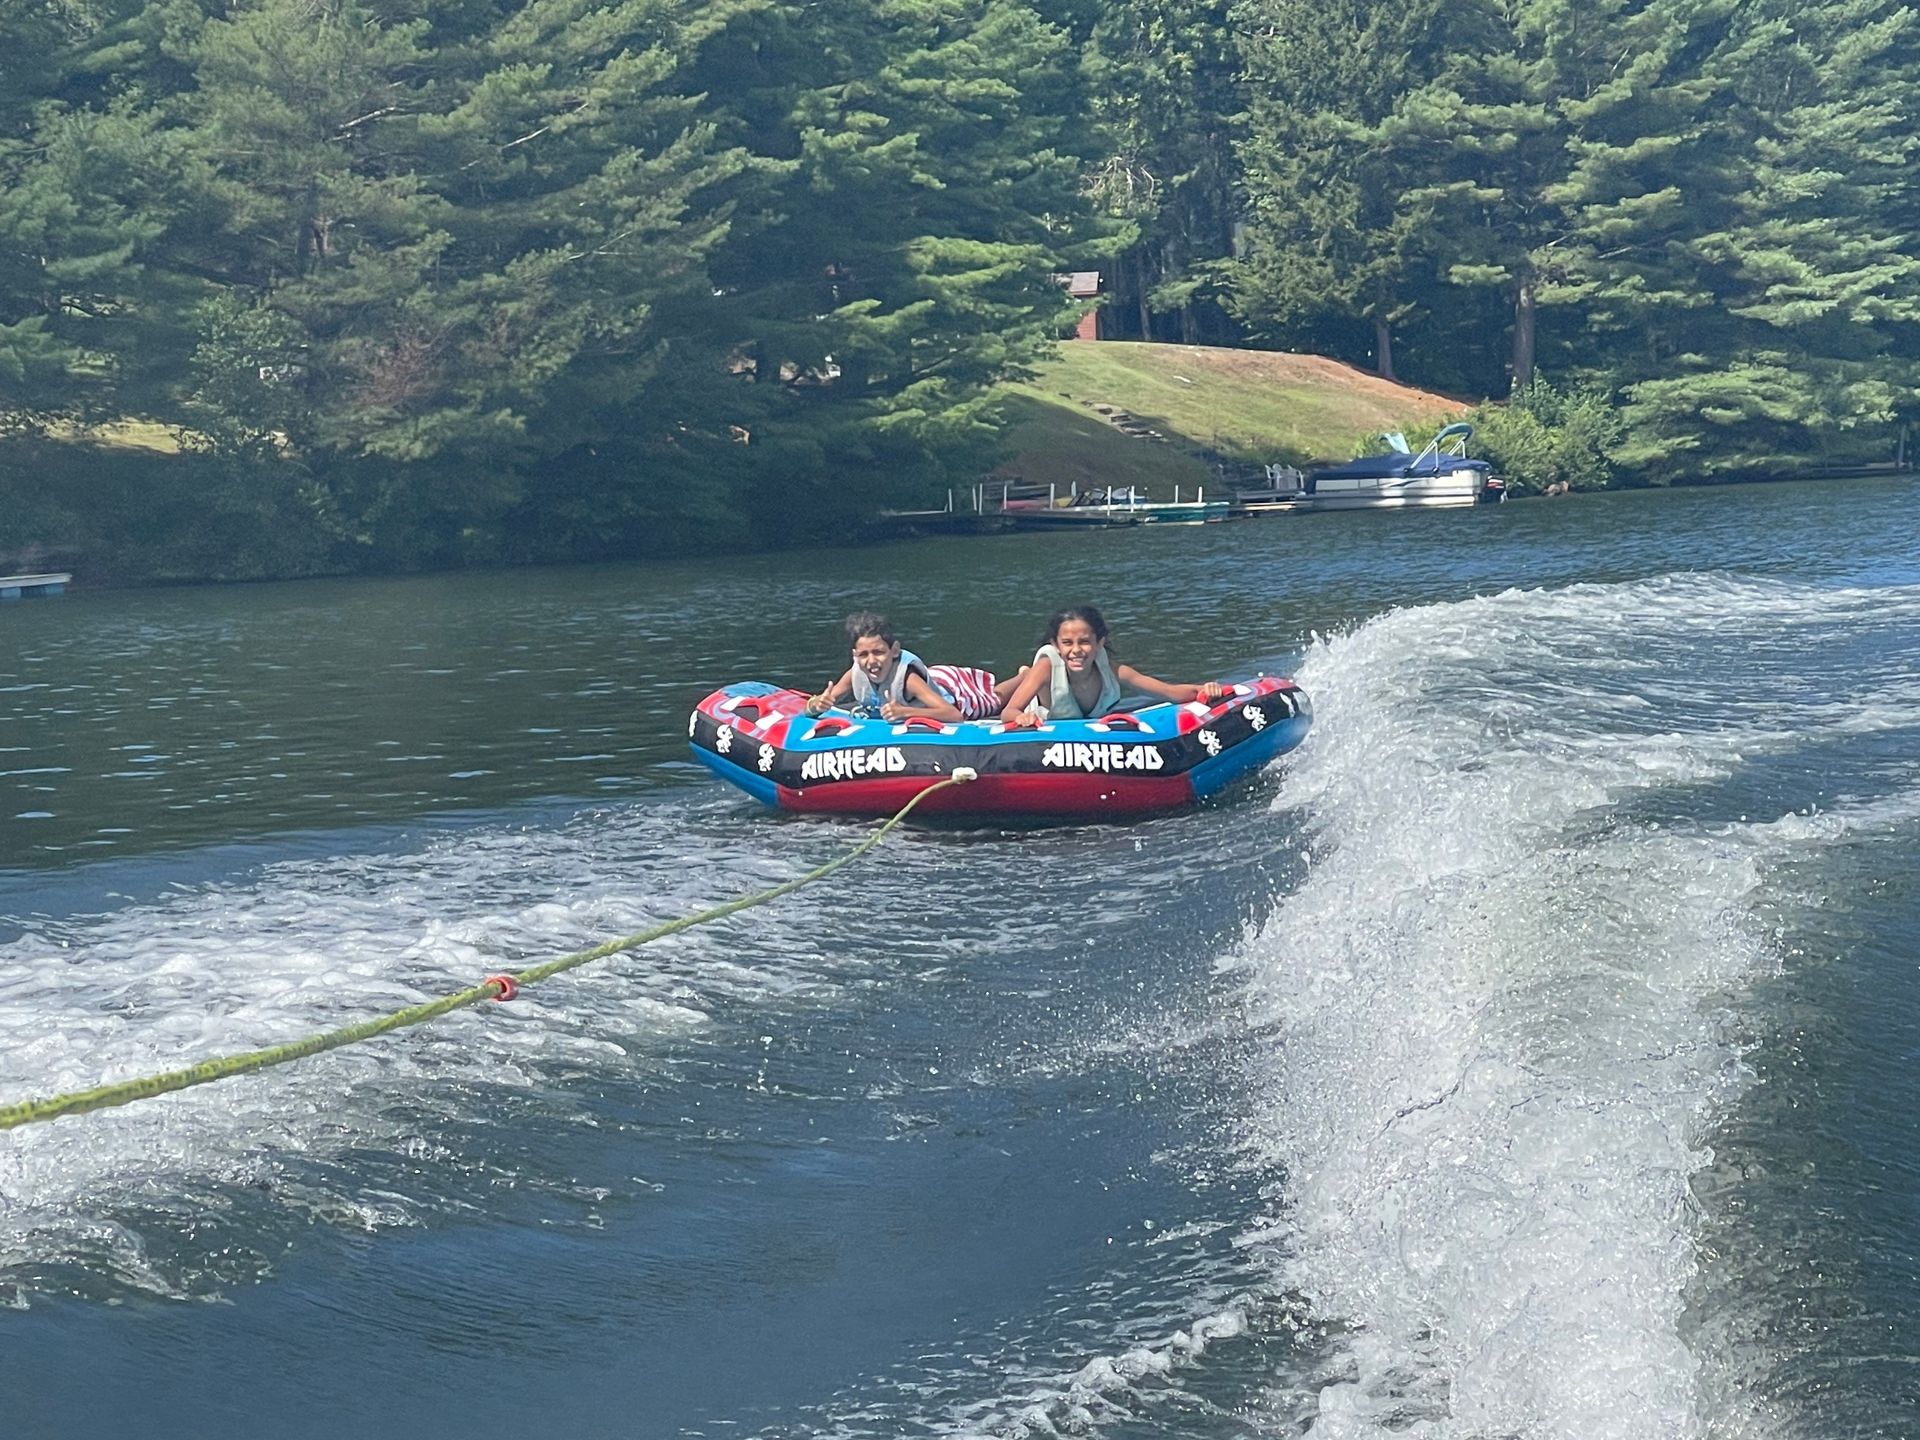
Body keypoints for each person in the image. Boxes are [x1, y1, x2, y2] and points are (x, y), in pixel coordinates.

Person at [999, 606, 1225, 728]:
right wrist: (1021, 718)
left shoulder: (1114, 672)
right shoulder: (1046, 668)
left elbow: (1170, 692)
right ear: (1056, 646)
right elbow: (1008, 711)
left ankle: (1023, 675)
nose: (1076, 650)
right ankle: (1024, 676)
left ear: (1100, 643)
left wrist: (1207, 689)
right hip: (1038, 705)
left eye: (1085, 642)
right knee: (1006, 690)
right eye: (1067, 643)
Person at [805, 613, 963, 722]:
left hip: (954, 689)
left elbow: (954, 714)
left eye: (878, 652)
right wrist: (816, 705)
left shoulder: (909, 679)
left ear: (894, 650)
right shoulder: (855, 673)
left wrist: (905, 712)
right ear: (855, 655)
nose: (871, 661)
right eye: (863, 655)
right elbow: (819, 704)